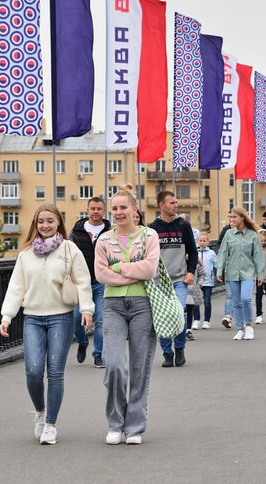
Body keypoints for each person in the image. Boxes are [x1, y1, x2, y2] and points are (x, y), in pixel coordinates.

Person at [0, 204, 94, 445]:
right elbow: (16, 287)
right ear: (35, 224)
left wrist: (86, 309)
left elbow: (82, 281)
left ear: (58, 222)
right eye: (41, 221)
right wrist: (6, 316)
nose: (45, 225)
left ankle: (51, 424)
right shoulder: (26, 254)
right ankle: (40, 413)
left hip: (61, 316)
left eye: (50, 221)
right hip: (32, 317)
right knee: (32, 372)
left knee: (55, 372)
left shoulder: (69, 249)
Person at [95, 185, 160, 445]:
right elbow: (101, 274)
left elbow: (150, 269)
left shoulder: (149, 236)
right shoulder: (103, 240)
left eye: (124, 208)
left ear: (135, 210)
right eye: (115, 209)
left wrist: (119, 267)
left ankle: (134, 427)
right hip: (112, 306)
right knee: (114, 364)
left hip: (143, 304)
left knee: (139, 367)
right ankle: (114, 423)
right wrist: (131, 272)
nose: (119, 212)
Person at [148, 191, 198, 367]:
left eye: (176, 202)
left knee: (180, 312)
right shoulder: (152, 228)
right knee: (161, 316)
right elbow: (147, 256)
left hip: (179, 279)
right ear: (161, 205)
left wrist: (190, 271)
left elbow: (193, 252)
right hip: (158, 281)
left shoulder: (183, 226)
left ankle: (179, 348)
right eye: (171, 202)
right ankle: (167, 353)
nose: (175, 205)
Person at [70, 197, 111, 367]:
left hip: (101, 282)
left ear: (104, 211)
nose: (95, 211)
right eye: (92, 208)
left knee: (101, 320)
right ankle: (83, 342)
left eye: (99, 209)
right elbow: (69, 256)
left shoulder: (110, 232)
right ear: (87, 210)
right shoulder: (76, 231)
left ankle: (98, 354)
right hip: (81, 283)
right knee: (76, 317)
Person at [216, 206, 265, 341]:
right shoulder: (228, 234)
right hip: (232, 273)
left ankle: (248, 325)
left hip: (248, 273)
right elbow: (223, 253)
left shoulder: (253, 235)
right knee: (236, 302)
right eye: (230, 217)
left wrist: (260, 275)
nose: (231, 219)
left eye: (234, 217)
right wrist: (219, 269)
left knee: (245, 298)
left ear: (242, 217)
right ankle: (239, 328)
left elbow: (258, 256)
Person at [192, 233, 217, 329]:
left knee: (207, 301)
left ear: (208, 241)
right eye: (200, 241)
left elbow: (217, 264)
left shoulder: (211, 253)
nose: (202, 243)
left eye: (204, 241)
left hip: (208, 281)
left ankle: (207, 321)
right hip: (197, 281)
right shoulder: (195, 252)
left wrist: (219, 273)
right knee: (196, 300)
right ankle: (196, 320)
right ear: (198, 241)